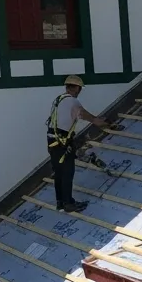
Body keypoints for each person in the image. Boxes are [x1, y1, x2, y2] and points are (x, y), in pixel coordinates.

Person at [46, 75, 109, 213]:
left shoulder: (59, 99)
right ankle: (68, 204)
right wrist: (100, 122)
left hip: (52, 140)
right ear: (76, 88)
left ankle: (61, 203)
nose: (79, 91)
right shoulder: (73, 101)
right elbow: (84, 115)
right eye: (79, 88)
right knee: (67, 172)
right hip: (61, 142)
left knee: (59, 173)